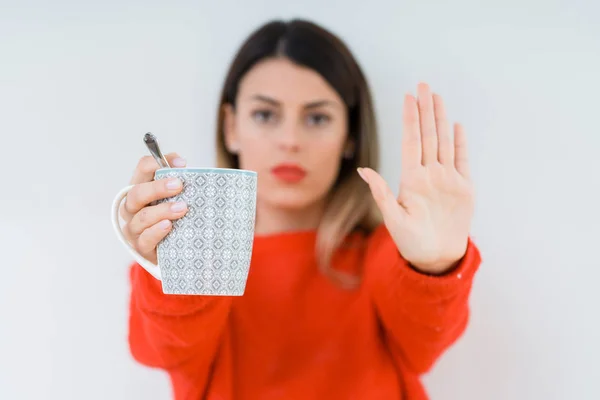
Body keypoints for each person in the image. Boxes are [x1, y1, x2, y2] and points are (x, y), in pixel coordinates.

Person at [119, 18, 481, 400]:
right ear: (231, 126)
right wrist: (177, 266)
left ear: (350, 136)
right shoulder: (191, 259)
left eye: (317, 117)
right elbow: (160, 351)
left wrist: (434, 267)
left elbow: (425, 346)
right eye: (265, 114)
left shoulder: (383, 257)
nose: (290, 140)